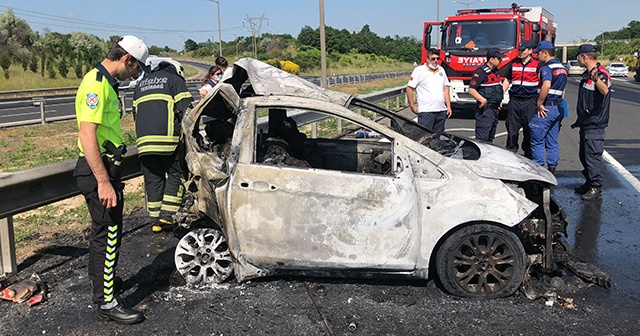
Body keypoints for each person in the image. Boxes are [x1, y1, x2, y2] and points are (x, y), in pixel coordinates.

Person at [73, 35, 148, 324]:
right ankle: (106, 303)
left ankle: (103, 288)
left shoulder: (104, 83)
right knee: (109, 234)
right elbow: (87, 134)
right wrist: (103, 181)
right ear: (127, 59)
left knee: (102, 233)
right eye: (136, 69)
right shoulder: (96, 85)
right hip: (97, 171)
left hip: (104, 168)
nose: (136, 75)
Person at [133, 60, 194, 232]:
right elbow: (187, 110)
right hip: (168, 141)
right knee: (177, 173)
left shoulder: (140, 85)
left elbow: (135, 115)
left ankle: (154, 222)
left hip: (144, 144)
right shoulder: (174, 81)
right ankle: (167, 216)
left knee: (153, 180)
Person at [572, 44, 611, 201]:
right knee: (584, 155)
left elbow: (605, 90)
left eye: (579, 57)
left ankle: (596, 187)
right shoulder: (587, 73)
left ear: (584, 57)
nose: (578, 60)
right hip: (586, 122)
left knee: (592, 155)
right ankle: (589, 182)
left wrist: (596, 80)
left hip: (595, 123)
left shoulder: (600, 73)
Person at [530, 41, 567, 174]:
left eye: (538, 53)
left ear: (545, 53)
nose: (537, 56)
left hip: (546, 108)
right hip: (557, 107)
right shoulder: (562, 68)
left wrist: (540, 103)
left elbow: (546, 85)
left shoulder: (547, 68)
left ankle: (538, 173)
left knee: (537, 141)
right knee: (552, 141)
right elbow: (563, 90)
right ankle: (552, 170)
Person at [502, 41, 539, 158]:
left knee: (529, 129)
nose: (521, 52)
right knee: (512, 128)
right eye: (520, 50)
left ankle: (528, 153)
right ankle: (511, 152)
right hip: (515, 100)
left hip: (530, 101)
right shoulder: (514, 63)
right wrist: (500, 95)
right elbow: (507, 80)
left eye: (523, 50)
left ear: (530, 50)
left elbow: (543, 83)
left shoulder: (537, 65)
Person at [406, 48, 452, 133]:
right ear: (427, 59)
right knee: (424, 136)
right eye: (433, 59)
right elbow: (409, 88)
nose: (435, 61)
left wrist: (448, 106)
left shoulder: (441, 70)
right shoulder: (419, 71)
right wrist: (412, 106)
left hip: (441, 109)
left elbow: (446, 88)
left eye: (437, 59)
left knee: (437, 137)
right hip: (426, 110)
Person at [468, 48, 504, 142]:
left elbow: (497, 89)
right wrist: (482, 100)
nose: (501, 61)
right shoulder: (481, 72)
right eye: (498, 59)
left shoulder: (495, 72)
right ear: (491, 59)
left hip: (494, 110)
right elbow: (471, 89)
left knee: (490, 138)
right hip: (485, 110)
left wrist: (499, 101)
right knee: (482, 139)